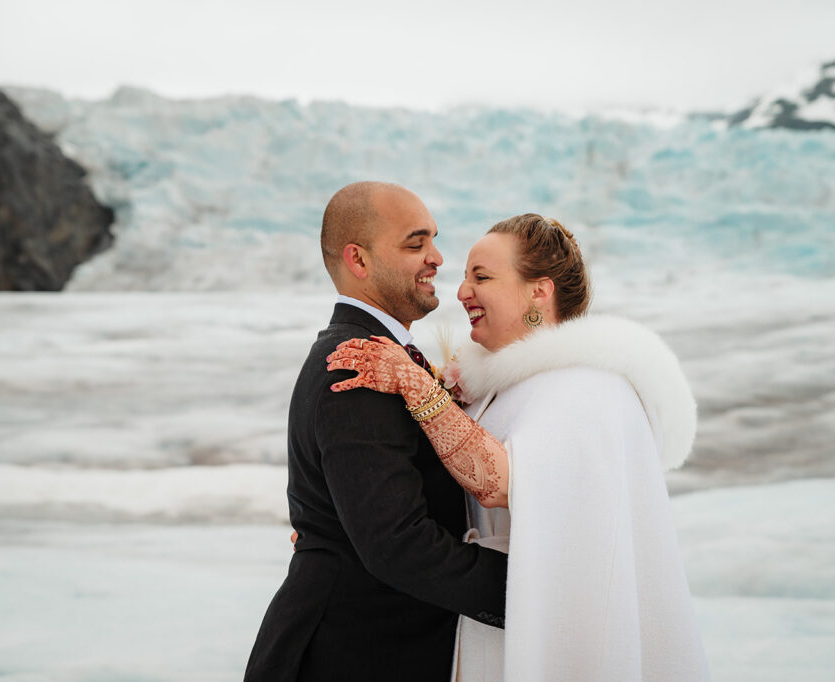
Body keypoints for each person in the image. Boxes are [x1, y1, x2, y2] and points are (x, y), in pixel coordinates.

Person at [327, 214, 711, 681]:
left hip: (547, 622)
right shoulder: (502, 384)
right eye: (466, 276)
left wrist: (417, 387)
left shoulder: (586, 387)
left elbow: (498, 482)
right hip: (492, 612)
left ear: (539, 292)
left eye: (481, 277)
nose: (462, 291)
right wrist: (344, 525)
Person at [243, 182, 509, 682]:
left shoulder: (382, 354)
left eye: (433, 239)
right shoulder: (358, 366)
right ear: (358, 260)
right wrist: (534, 592)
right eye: (415, 244)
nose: (436, 257)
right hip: (346, 653)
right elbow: (397, 544)